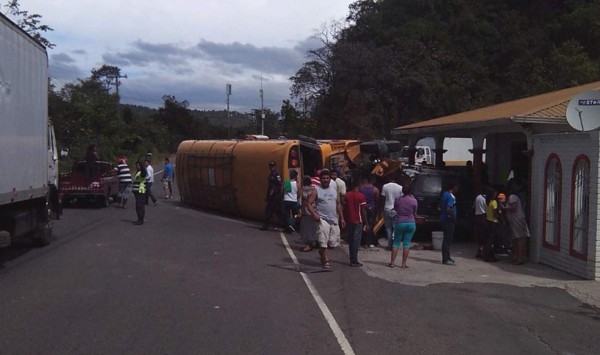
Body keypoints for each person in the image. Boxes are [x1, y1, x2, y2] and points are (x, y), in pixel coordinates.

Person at [306, 169, 346, 269]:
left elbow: (338, 204)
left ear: (330, 179)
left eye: (327, 178)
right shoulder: (316, 190)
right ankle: (325, 260)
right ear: (320, 179)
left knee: (333, 243)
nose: (325, 180)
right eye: (323, 178)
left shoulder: (334, 190)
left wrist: (342, 218)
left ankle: (321, 251)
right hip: (322, 219)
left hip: (333, 219)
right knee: (323, 241)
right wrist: (314, 214)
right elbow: (308, 203)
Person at [389, 183, 418, 268]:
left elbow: (396, 209)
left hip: (400, 222)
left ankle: (392, 262)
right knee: (406, 244)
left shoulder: (397, 199)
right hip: (411, 223)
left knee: (396, 243)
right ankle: (403, 264)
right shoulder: (414, 200)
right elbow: (414, 212)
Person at [504, 179, 530, 264]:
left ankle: (519, 257)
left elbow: (513, 207)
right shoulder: (516, 196)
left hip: (516, 219)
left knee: (518, 238)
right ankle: (519, 256)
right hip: (517, 218)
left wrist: (504, 208)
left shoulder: (512, 197)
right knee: (518, 238)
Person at [344, 177, 368, 267]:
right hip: (358, 220)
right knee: (356, 241)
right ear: (359, 185)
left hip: (350, 220)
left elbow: (345, 208)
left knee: (351, 240)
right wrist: (367, 223)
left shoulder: (347, 195)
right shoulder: (361, 196)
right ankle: (354, 260)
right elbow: (363, 211)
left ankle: (352, 259)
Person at [260, 161, 287, 231]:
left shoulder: (277, 175)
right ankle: (266, 225)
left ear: (275, 167)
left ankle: (287, 225)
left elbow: (280, 185)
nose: (271, 168)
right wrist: (267, 196)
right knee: (268, 211)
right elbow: (269, 187)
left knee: (278, 212)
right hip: (271, 197)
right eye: (270, 166)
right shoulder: (271, 175)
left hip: (275, 197)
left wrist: (275, 192)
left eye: (272, 166)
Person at [380, 174, 403, 250]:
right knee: (395, 227)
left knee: (388, 227)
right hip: (396, 209)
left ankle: (390, 243)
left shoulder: (385, 186)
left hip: (387, 208)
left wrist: (381, 210)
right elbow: (401, 199)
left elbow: (383, 198)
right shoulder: (400, 187)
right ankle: (394, 241)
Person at [440, 181, 459, 265]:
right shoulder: (451, 197)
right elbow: (448, 208)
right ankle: (446, 258)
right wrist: (454, 216)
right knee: (448, 239)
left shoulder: (445, 194)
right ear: (454, 187)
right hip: (449, 220)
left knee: (446, 239)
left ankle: (447, 256)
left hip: (444, 219)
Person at [359, 175, 380, 248]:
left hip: (363, 207)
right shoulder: (375, 190)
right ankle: (369, 242)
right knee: (370, 226)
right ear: (373, 180)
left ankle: (361, 241)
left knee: (362, 224)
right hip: (372, 209)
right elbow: (377, 200)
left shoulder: (361, 188)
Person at [299, 175, 318, 251]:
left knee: (305, 229)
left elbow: (304, 202)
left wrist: (301, 211)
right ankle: (314, 242)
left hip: (306, 211)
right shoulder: (314, 189)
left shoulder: (304, 190)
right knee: (313, 228)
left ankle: (308, 245)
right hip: (313, 211)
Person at [484, 188, 500, 262]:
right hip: (494, 221)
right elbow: (495, 213)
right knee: (493, 240)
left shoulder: (487, 201)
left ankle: (486, 254)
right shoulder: (494, 202)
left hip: (488, 220)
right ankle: (490, 255)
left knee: (488, 239)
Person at [473, 188, 488, 259]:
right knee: (484, 235)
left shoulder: (477, 197)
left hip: (477, 216)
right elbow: (486, 208)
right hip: (483, 216)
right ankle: (484, 252)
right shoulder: (486, 199)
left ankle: (479, 251)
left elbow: (474, 206)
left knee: (479, 235)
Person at [132, 161, 147, 225]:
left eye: (138, 165)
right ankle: (140, 219)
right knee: (138, 206)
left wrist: (142, 166)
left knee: (139, 206)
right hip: (137, 192)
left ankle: (140, 220)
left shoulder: (141, 172)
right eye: (136, 165)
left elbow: (144, 173)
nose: (137, 166)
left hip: (140, 191)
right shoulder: (137, 173)